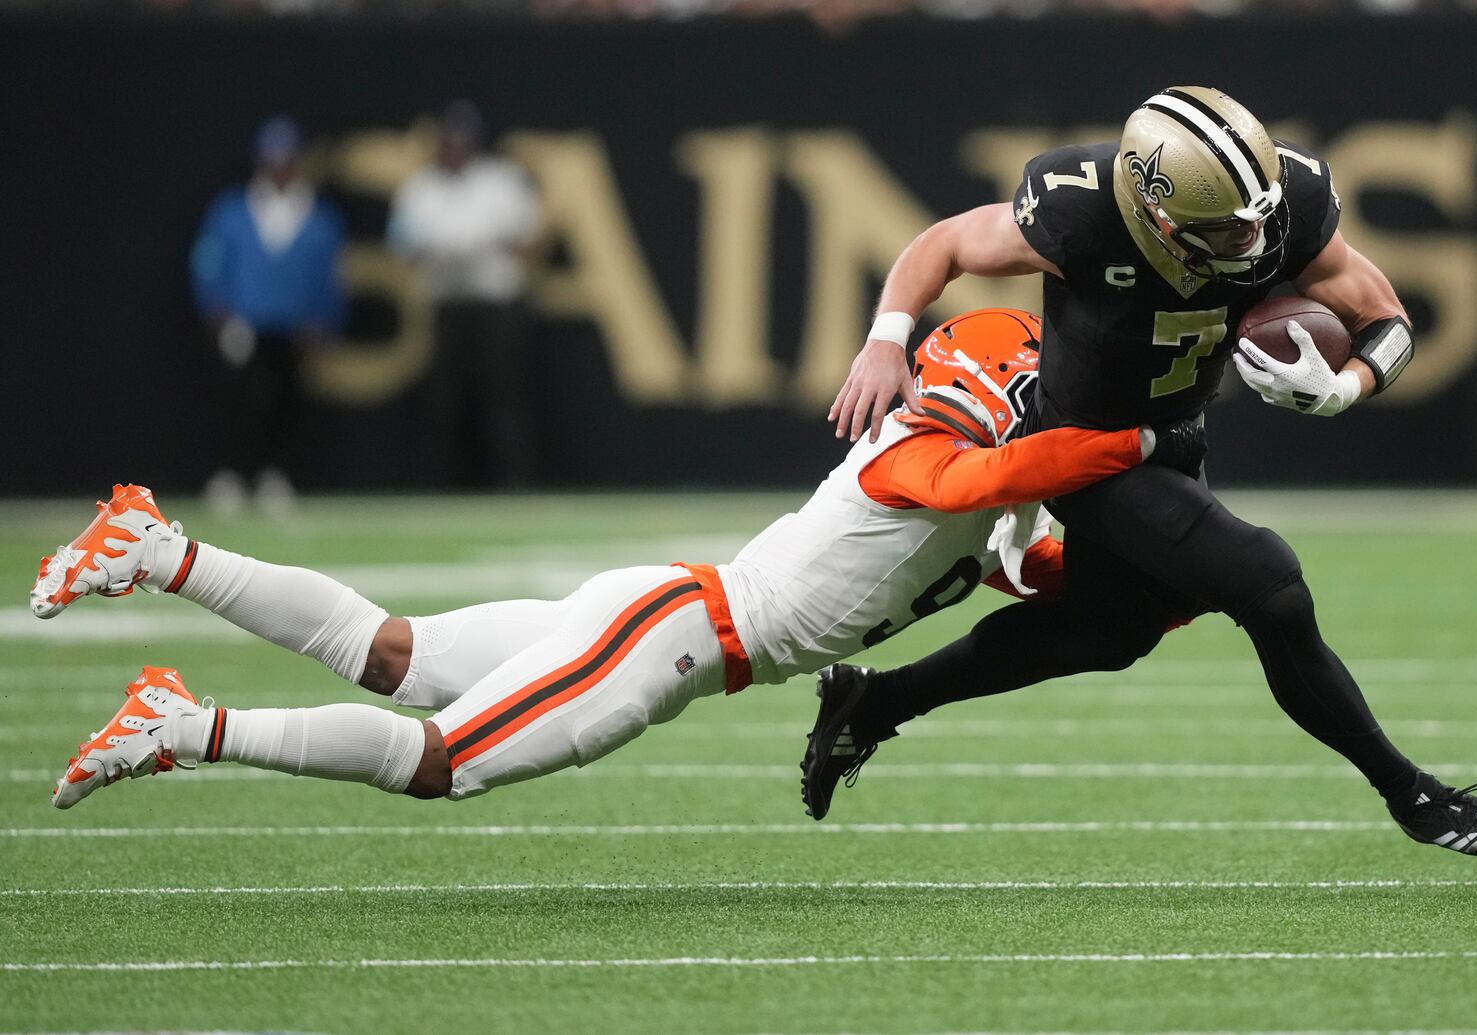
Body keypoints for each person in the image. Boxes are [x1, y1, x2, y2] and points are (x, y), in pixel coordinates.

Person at [30, 310, 1204, 810]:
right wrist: (1131, 440)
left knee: (393, 652)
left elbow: (1024, 563)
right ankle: (180, 725)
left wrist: (1176, 577)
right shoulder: (921, 450)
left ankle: (156, 546)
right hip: (673, 636)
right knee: (441, 765)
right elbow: (979, 483)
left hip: (660, 614)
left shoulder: (996, 490)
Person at [807, 86, 1477, 856]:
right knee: (1270, 587)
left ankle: (872, 704)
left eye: (1261, 216)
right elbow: (943, 244)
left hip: (1177, 440)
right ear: (1157, 216)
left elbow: (1384, 318)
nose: (1256, 240)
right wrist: (886, 338)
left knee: (1106, 632)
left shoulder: (1284, 201)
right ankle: (1413, 794)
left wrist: (1343, 388)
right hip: (1087, 451)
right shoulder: (1081, 210)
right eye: (1227, 228)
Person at [190, 115, 347, 514]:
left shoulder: (317, 216)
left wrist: (323, 321)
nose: (280, 168)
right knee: (237, 401)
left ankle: (274, 475)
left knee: (288, 403)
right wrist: (219, 313)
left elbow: (329, 276)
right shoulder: (233, 210)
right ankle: (230, 474)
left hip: (293, 327)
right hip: (244, 323)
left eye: (287, 159)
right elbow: (209, 263)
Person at [387, 99, 543, 488]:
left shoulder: (501, 181)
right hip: (447, 303)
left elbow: (528, 242)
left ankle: (515, 485)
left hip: (495, 303)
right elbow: (402, 250)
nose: (456, 149)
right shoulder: (420, 188)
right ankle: (440, 487)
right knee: (442, 400)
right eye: (450, 141)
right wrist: (440, 252)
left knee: (503, 398)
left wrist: (483, 247)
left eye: (463, 141)